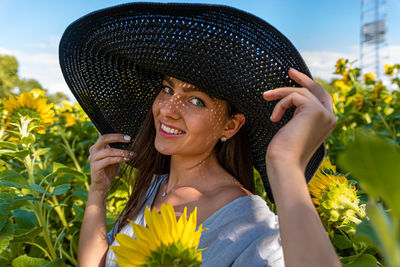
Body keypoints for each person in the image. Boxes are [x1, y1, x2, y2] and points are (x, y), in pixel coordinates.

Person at [59, 2, 341, 266]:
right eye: (168, 89)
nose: (168, 109)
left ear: (231, 126)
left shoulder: (251, 226)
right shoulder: (152, 187)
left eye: (196, 101)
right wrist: (97, 192)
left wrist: (284, 162)